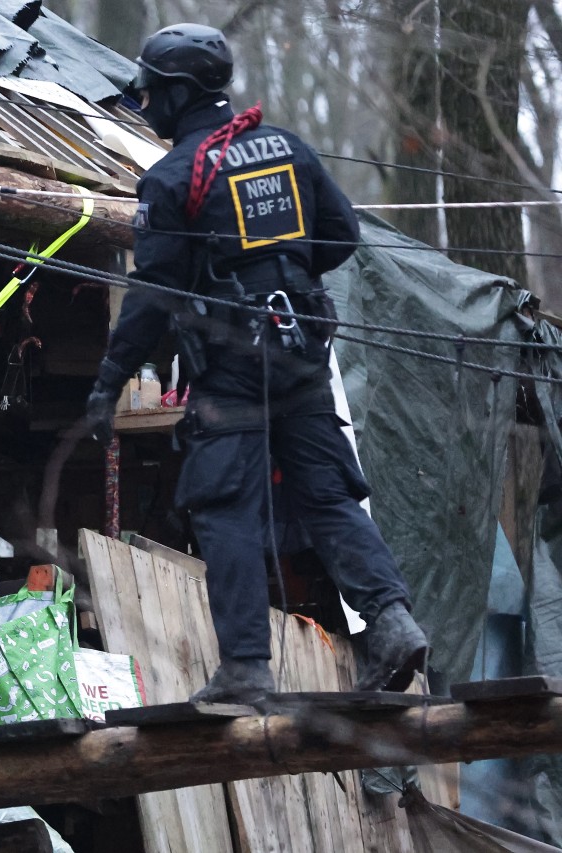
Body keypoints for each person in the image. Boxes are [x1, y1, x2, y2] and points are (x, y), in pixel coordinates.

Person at [84, 24, 427, 703]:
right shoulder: (289, 151)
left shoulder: (172, 178)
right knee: (326, 493)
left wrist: (107, 383)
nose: (146, 107)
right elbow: (341, 235)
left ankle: (245, 666)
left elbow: (152, 296)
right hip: (304, 352)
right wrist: (286, 275)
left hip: (231, 369)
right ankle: (392, 623)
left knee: (226, 506)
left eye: (152, 95)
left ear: (177, 95)